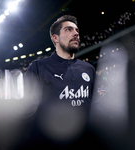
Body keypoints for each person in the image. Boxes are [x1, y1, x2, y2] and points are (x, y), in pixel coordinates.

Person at [22, 15, 96, 149]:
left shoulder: (88, 69)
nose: (75, 34)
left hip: (86, 141)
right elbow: (27, 108)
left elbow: (94, 104)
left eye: (77, 30)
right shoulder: (39, 67)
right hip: (52, 142)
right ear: (55, 38)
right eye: (68, 29)